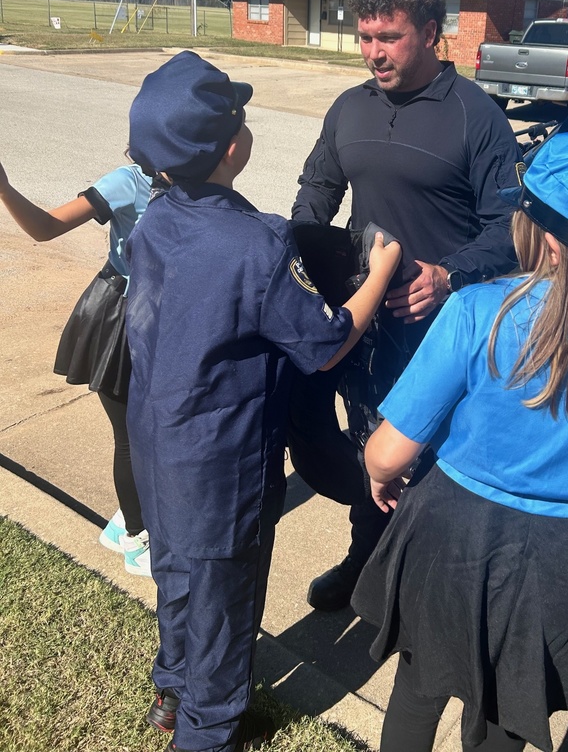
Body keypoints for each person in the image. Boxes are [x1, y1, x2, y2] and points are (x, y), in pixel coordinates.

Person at [350, 132, 568, 752]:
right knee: (510, 715)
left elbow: (388, 452)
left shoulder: (480, 311)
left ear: (550, 242)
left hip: (448, 533)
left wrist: (378, 472)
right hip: (565, 560)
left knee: (418, 688)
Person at [123, 50, 401, 752]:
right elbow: (325, 342)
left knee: (177, 576)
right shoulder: (258, 243)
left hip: (157, 443)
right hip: (223, 467)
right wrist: (382, 270)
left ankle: (172, 689)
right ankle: (207, 732)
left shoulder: (154, 219)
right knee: (224, 599)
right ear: (230, 148)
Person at [291, 0, 523, 611]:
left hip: (440, 329)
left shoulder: (476, 116)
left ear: (429, 32)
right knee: (367, 449)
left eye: (388, 38)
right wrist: (302, 261)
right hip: (361, 319)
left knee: (432, 461)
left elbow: (512, 227)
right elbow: (316, 192)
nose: (374, 53)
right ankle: (366, 560)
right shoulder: (350, 107)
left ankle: (427, 586)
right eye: (365, 37)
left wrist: (449, 276)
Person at [0, 155, 153, 577]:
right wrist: (5, 189)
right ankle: (137, 538)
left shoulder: (189, 179)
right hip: (118, 318)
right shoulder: (128, 182)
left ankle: (124, 519)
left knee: (148, 433)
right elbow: (46, 227)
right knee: (132, 436)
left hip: (153, 317)